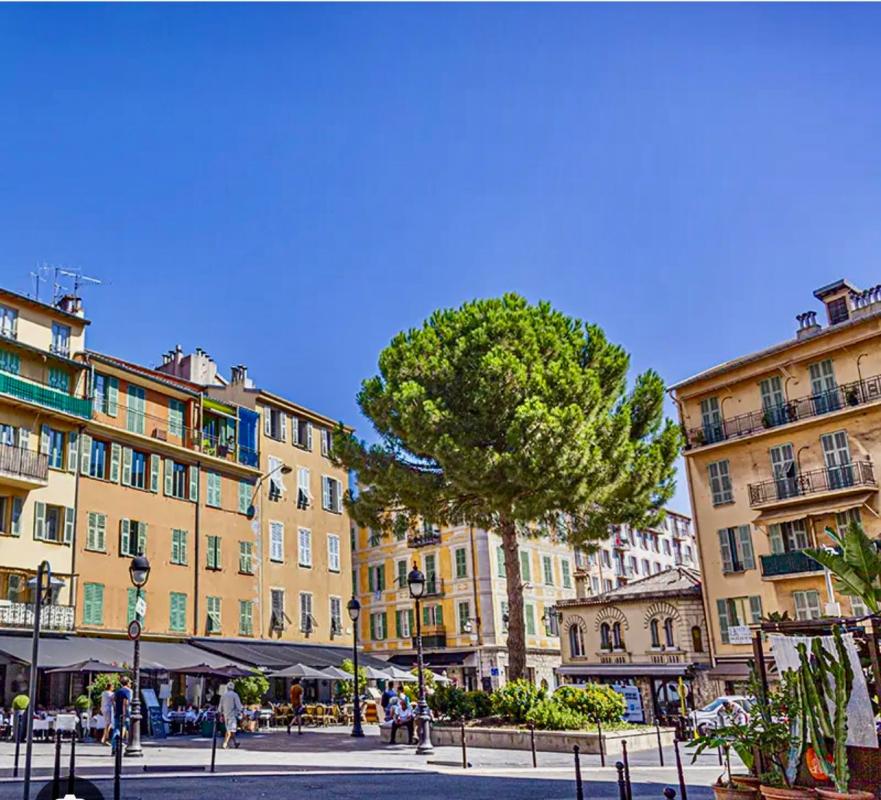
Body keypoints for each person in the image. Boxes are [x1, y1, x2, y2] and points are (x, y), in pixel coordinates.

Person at [219, 681, 243, 750]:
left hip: (225, 715)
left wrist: (221, 715)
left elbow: (220, 706)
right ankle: (225, 743)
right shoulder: (235, 695)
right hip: (232, 715)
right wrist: (240, 712)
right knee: (230, 730)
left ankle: (235, 742)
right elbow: (238, 706)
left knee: (231, 729)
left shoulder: (223, 695)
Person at [111, 677, 132, 754]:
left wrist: (115, 709)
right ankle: (125, 744)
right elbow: (125, 703)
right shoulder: (128, 691)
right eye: (130, 683)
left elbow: (113, 700)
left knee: (116, 729)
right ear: (127, 683)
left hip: (117, 713)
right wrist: (124, 714)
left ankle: (114, 747)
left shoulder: (118, 691)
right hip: (125, 714)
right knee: (129, 729)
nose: (130, 684)